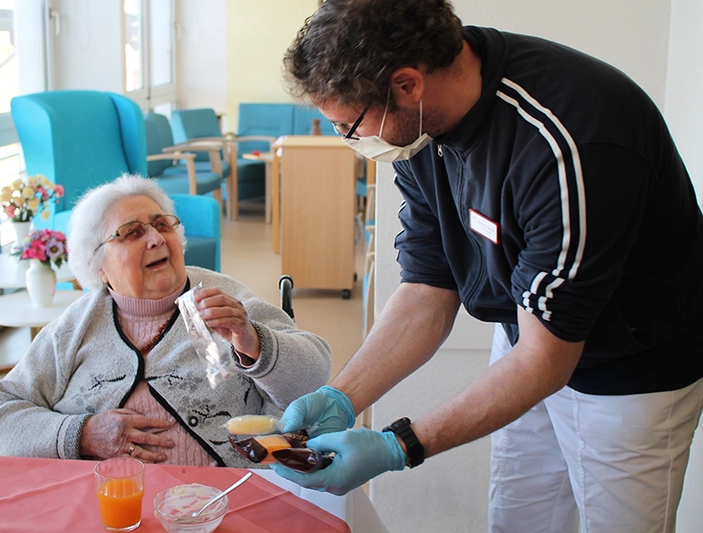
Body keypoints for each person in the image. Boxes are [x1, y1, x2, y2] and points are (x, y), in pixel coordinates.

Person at [270, 1, 703, 532]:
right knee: (519, 519)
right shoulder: (421, 129)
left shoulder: (571, 141)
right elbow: (429, 286)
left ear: (407, 85)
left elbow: (548, 360)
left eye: (347, 124)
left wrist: (397, 445)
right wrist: (344, 394)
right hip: (530, 332)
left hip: (629, 369)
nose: (351, 141)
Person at [0, 174, 332, 468]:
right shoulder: (75, 327)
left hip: (220, 504)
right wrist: (82, 433)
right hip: (104, 508)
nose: (156, 239)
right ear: (98, 265)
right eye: (132, 233)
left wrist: (252, 340)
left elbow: (315, 378)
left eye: (162, 225)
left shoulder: (226, 300)